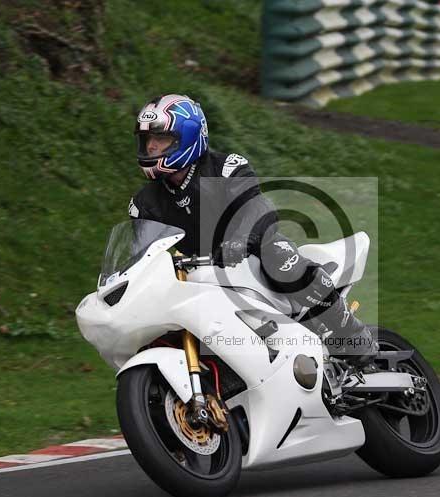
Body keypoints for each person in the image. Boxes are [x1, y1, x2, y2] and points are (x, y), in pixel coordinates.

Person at [128, 94, 377, 363]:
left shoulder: (226, 168)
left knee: (280, 259)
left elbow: (256, 207)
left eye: (161, 138)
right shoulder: (144, 204)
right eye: (147, 139)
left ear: (188, 138)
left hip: (252, 252)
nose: (151, 146)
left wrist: (240, 240)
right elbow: (142, 256)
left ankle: (351, 333)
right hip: (201, 272)